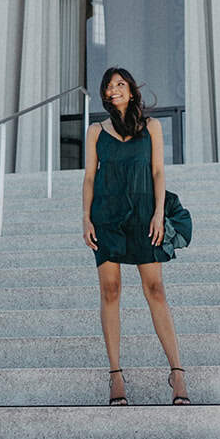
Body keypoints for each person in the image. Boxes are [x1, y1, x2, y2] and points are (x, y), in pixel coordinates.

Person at [81, 66, 190, 406]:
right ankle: (116, 376)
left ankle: (177, 372)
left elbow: (158, 171)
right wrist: (86, 218)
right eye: (108, 86)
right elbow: (88, 178)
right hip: (107, 215)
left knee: (155, 289)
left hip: (144, 213)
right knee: (110, 290)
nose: (114, 89)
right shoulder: (96, 131)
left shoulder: (152, 127)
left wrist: (159, 212)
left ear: (130, 90)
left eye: (119, 84)